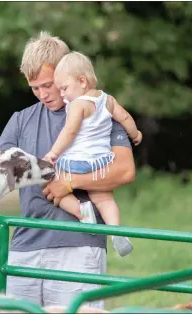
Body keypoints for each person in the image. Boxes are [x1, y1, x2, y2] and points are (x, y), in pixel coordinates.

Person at [0, 31, 136, 309]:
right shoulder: (21, 119)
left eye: (49, 85)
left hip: (79, 244)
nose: (43, 94)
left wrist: (69, 184)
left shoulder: (99, 110)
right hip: (25, 245)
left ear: (66, 72)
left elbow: (124, 171)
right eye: (35, 88)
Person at [42, 51, 142, 257]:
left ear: (81, 81)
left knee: (52, 187)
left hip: (76, 162)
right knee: (105, 199)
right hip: (101, 163)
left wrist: (54, 152)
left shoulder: (78, 104)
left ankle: (81, 212)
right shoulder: (107, 100)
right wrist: (136, 133)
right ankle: (115, 232)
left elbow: (69, 132)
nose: (62, 95)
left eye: (64, 88)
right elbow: (125, 117)